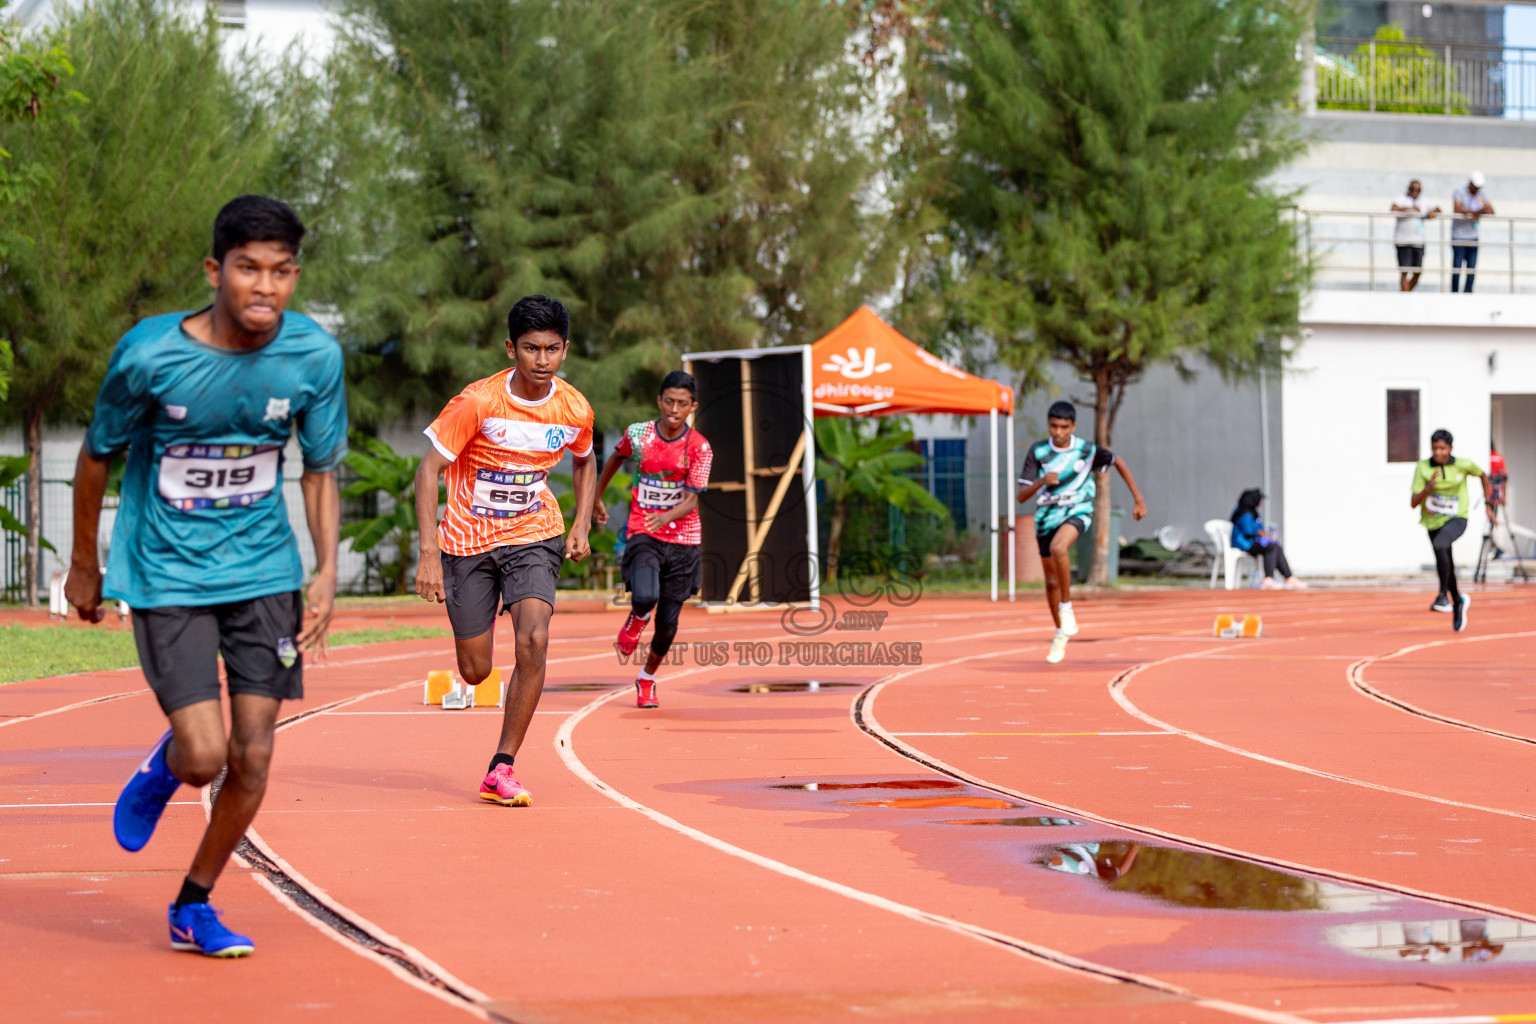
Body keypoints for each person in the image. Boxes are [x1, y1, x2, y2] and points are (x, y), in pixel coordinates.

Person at [64, 195, 347, 958]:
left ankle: (194, 902)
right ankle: (168, 764)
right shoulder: (151, 355)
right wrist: (85, 565)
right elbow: (96, 457)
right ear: (214, 269)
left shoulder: (314, 358)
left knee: (253, 757)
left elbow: (320, 472)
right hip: (168, 575)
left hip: (263, 572)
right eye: (249, 268)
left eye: (282, 271)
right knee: (204, 757)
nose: (266, 286)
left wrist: (325, 572)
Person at [414, 295, 596, 807]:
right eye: (531, 349)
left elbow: (585, 459)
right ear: (510, 347)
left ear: (565, 349)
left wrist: (581, 520)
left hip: (533, 531)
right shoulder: (479, 402)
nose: (542, 361)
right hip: (468, 539)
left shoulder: (574, 407)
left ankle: (501, 766)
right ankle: (486, 606)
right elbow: (427, 471)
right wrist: (429, 551)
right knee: (475, 671)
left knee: (534, 638)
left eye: (553, 349)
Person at [592, 371, 713, 708]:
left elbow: (691, 499)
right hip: (643, 530)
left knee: (668, 625)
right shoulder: (639, 434)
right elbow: (614, 459)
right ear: (659, 401)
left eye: (682, 403)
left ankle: (647, 678)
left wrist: (667, 516)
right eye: (669, 401)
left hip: (684, 539)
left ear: (693, 406)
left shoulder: (699, 447)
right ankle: (637, 616)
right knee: (645, 595)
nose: (674, 409)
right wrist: (596, 498)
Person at [1016, 401, 1147, 664]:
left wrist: (1138, 498)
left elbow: (1117, 461)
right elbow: (1022, 496)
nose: (1059, 432)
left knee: (1059, 549)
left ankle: (1066, 607)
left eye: (1064, 427)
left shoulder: (1086, 450)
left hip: (1078, 511)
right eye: (1054, 426)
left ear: (1073, 426)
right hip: (1046, 518)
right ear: (1048, 425)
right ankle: (1059, 633)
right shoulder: (1039, 451)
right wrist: (1042, 481)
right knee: (1051, 581)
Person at [1410, 428, 1493, 630]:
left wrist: (1488, 505)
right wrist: (1429, 486)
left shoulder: (1463, 465)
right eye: (1434, 448)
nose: (1438, 452)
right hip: (1432, 522)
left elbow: (1483, 476)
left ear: (1450, 448)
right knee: (1444, 558)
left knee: (1441, 546)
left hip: (1457, 518)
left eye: (1442, 448)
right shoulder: (1423, 468)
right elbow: (1413, 502)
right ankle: (1457, 601)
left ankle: (1441, 595)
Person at [1229, 489, 1305, 590]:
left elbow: (1258, 530)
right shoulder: (1245, 513)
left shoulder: (1253, 512)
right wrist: (1265, 535)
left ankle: (1289, 577)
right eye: (1260, 500)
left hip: (1252, 542)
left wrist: (1266, 535)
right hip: (1244, 543)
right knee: (1271, 547)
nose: (1261, 502)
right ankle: (1268, 578)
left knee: (1276, 546)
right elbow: (1249, 532)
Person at [1391, 180, 1439, 292]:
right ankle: (1406, 296)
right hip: (1403, 241)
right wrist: (1410, 209)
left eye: (1417, 189)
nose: (1414, 191)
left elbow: (1438, 208)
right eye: (1412, 188)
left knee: (1417, 272)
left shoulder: (1424, 200)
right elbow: (1393, 209)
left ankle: (1404, 293)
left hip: (1418, 241)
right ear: (1408, 188)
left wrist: (1433, 211)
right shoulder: (1401, 198)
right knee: (1404, 271)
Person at [1451, 172, 1494, 293]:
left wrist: (1477, 212)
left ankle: (1468, 292)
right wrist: (1476, 212)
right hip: (1459, 236)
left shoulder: (1481, 195)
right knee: (1457, 267)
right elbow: (1457, 209)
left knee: (1471, 268)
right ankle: (1454, 292)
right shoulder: (1459, 192)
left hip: (1473, 237)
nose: (1476, 189)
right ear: (1470, 183)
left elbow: (1491, 210)